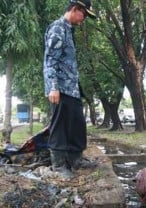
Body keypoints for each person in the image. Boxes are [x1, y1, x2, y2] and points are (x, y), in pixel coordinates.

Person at [43, 0, 97, 179]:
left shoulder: (69, 30)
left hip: (72, 88)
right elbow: (50, 60)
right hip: (60, 89)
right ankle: (58, 166)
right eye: (83, 15)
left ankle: (75, 160)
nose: (83, 19)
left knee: (77, 124)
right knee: (59, 127)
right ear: (75, 10)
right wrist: (53, 87)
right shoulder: (57, 29)